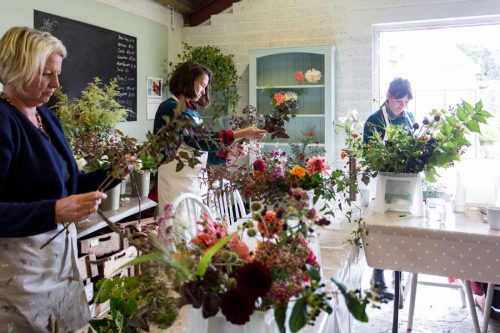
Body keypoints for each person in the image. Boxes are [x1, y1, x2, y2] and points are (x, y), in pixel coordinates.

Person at [0, 27, 123, 331]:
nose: (56, 84)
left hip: (59, 263)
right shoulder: (3, 121)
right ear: (17, 69)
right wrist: (53, 211)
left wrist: (114, 172)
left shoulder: (47, 118)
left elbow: (68, 186)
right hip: (19, 272)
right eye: (46, 74)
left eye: (57, 74)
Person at [153, 61, 266, 217]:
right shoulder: (171, 107)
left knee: (194, 234)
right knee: (179, 232)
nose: (203, 91)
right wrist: (241, 133)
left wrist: (230, 154)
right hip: (176, 183)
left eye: (206, 86)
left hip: (192, 182)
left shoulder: (193, 113)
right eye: (202, 85)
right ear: (188, 80)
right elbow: (201, 140)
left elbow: (202, 149)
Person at [363, 77, 416, 300]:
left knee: (403, 227)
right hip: (384, 179)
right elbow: (368, 153)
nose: (402, 105)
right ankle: (378, 275)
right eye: (398, 101)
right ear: (388, 95)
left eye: (405, 102)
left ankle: (399, 273)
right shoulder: (374, 121)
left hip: (406, 181)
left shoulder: (410, 118)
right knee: (384, 228)